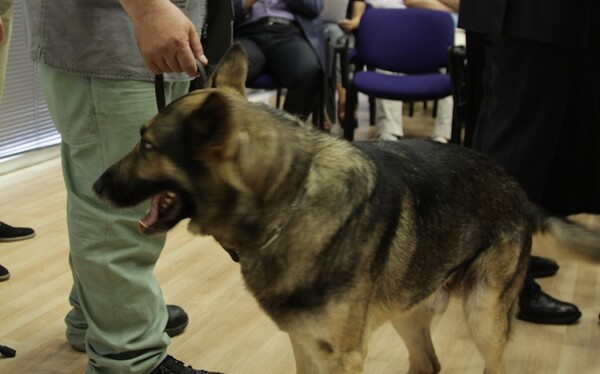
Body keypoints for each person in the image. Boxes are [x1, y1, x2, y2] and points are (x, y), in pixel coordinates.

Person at [22, 0, 232, 372]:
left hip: (136, 36)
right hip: (115, 38)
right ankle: (130, 360)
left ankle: (104, 319)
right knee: (119, 211)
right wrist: (148, 10)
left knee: (97, 199)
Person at [459, 0, 600, 324]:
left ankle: (490, 257)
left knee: (502, 127)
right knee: (520, 140)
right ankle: (507, 279)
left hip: (513, 12)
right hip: (534, 13)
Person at [367, 0, 456, 142]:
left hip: (447, 33)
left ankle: (443, 134)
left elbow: (464, 7)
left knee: (453, 67)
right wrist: (449, 8)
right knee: (386, 60)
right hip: (411, 28)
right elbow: (411, 1)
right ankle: (388, 130)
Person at [232, 0, 326, 121]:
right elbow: (221, 14)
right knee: (228, 71)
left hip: (288, 34)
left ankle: (290, 133)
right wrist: (246, 3)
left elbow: (315, 7)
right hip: (246, 34)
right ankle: (230, 132)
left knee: (309, 72)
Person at [322, 0, 366, 123]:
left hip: (344, 31)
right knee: (330, 39)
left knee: (332, 39)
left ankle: (325, 110)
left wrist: (355, 22)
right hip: (314, 32)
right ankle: (343, 94)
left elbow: (359, 3)